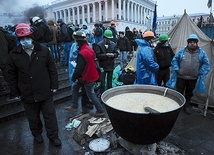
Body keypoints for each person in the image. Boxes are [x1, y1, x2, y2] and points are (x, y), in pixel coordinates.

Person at [6, 23, 61, 146]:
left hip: (45, 91)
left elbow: (52, 69)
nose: (25, 41)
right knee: (33, 118)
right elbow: (11, 76)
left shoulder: (44, 50)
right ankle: (37, 134)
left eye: (27, 38)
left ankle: (53, 136)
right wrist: (15, 92)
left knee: (50, 117)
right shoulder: (14, 55)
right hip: (27, 93)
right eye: (22, 39)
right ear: (19, 39)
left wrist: (54, 85)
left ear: (32, 37)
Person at [166, 34, 210, 114]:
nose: (192, 43)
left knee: (189, 93)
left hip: (193, 78)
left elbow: (206, 64)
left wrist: (200, 71)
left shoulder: (201, 53)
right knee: (179, 91)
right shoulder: (181, 52)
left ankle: (187, 106)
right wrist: (176, 69)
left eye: (194, 42)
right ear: (188, 43)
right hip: (181, 76)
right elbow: (174, 60)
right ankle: (177, 106)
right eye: (191, 42)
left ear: (197, 43)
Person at [65, 31, 105, 117]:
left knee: (91, 94)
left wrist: (73, 78)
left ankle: (100, 110)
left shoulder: (82, 52)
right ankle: (74, 105)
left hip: (87, 77)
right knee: (76, 87)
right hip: (89, 75)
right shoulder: (88, 48)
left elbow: (79, 68)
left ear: (78, 41)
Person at [94, 30, 119, 94]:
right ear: (104, 37)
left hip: (110, 66)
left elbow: (116, 53)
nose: (108, 40)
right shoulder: (99, 45)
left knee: (109, 83)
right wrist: (106, 55)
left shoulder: (113, 44)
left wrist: (113, 55)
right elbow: (98, 55)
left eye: (109, 38)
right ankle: (102, 95)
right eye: (107, 38)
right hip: (102, 66)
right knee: (102, 83)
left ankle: (110, 95)